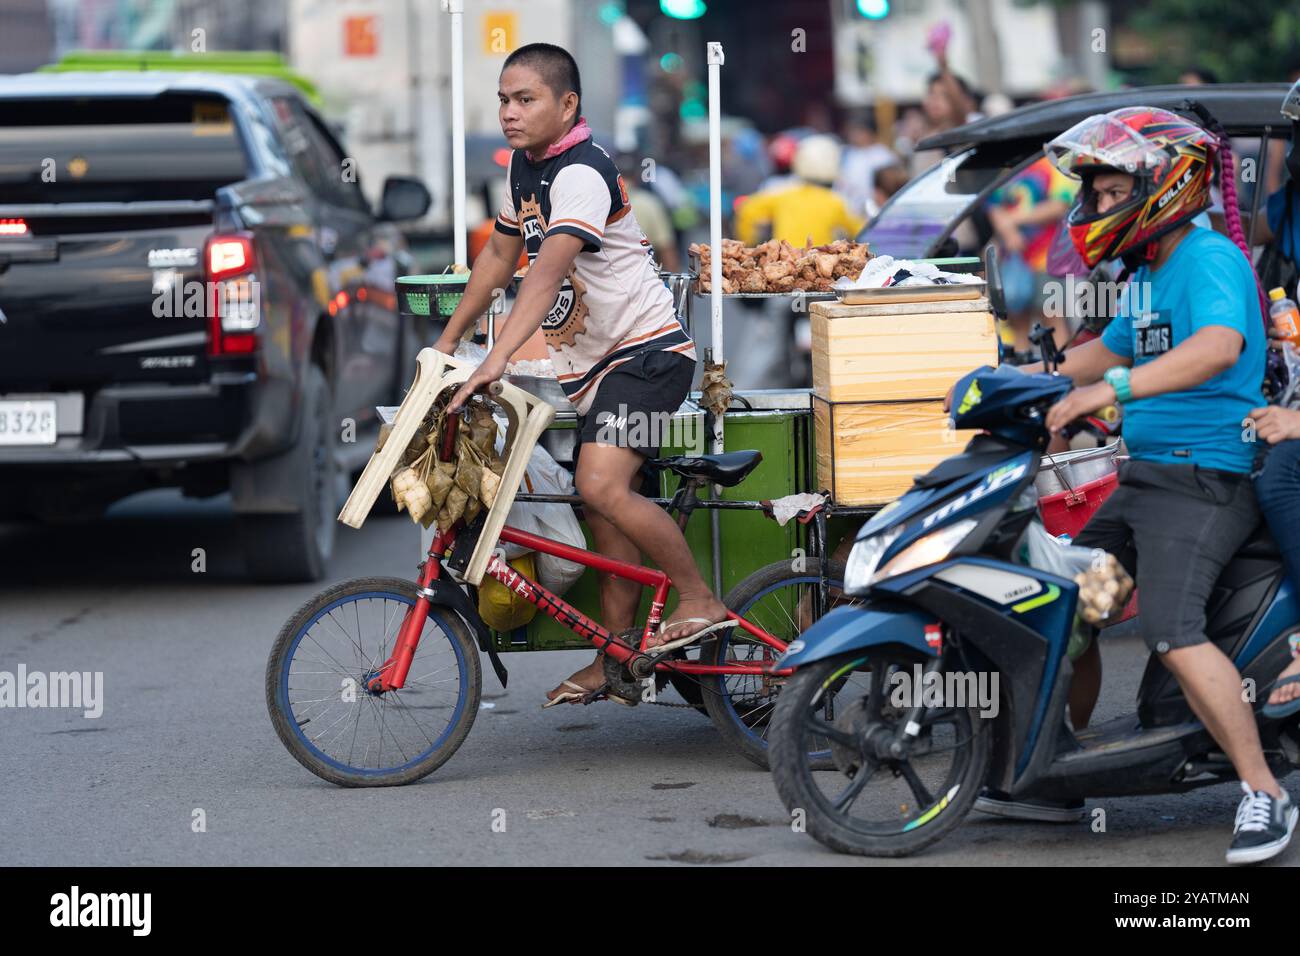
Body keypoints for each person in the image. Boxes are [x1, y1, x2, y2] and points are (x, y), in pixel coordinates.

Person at [970, 107, 1296, 864]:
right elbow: (1090, 358)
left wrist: (1108, 387)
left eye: (1111, 194)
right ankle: (1055, 776)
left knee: (1173, 632)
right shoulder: (1148, 276)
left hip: (1207, 478)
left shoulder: (1207, 261)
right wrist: (1009, 384)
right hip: (1145, 481)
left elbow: (1217, 348)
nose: (1095, 210)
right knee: (1071, 612)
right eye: (1095, 196)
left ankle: (1264, 795)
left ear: (1165, 188)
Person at [436, 43, 727, 706]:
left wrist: (496, 358)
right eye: (504, 99)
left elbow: (541, 277)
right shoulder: (524, 169)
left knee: (599, 484)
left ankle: (700, 598)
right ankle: (616, 656)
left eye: (525, 99)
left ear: (567, 105)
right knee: (604, 517)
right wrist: (446, 343)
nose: (509, 112)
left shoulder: (582, 173)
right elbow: (497, 260)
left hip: (649, 357)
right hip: (597, 369)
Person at [734, 135, 864, 247]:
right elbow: (860, 230)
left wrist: (749, 244)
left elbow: (747, 209)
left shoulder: (783, 194)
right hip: (817, 267)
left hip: (784, 264)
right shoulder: (834, 201)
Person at [834, 111, 898, 221]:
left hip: (877, 211)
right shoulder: (849, 154)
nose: (854, 135)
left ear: (870, 132)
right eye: (853, 131)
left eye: (859, 131)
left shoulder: (883, 156)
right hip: (852, 212)